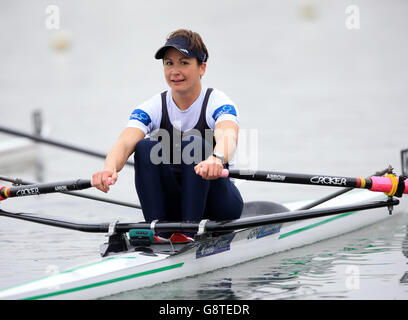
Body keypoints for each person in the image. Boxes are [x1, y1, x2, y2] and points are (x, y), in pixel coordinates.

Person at [92, 29, 243, 241]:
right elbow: (126, 141)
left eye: (184, 62)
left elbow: (228, 135)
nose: (175, 71)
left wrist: (216, 159)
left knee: (194, 142)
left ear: (202, 68)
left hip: (218, 206)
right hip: (175, 206)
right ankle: (159, 232)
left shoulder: (218, 102)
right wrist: (109, 168)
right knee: (144, 147)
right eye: (168, 63)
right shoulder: (153, 106)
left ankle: (189, 233)